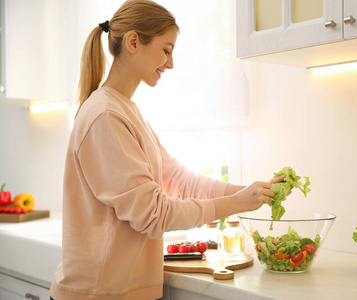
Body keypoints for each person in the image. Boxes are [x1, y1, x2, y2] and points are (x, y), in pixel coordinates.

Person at [50, 1, 285, 299]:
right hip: (99, 293)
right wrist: (237, 203)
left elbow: (180, 181)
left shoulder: (126, 111)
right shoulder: (105, 116)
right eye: (166, 49)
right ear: (134, 41)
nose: (170, 63)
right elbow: (154, 214)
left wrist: (254, 193)